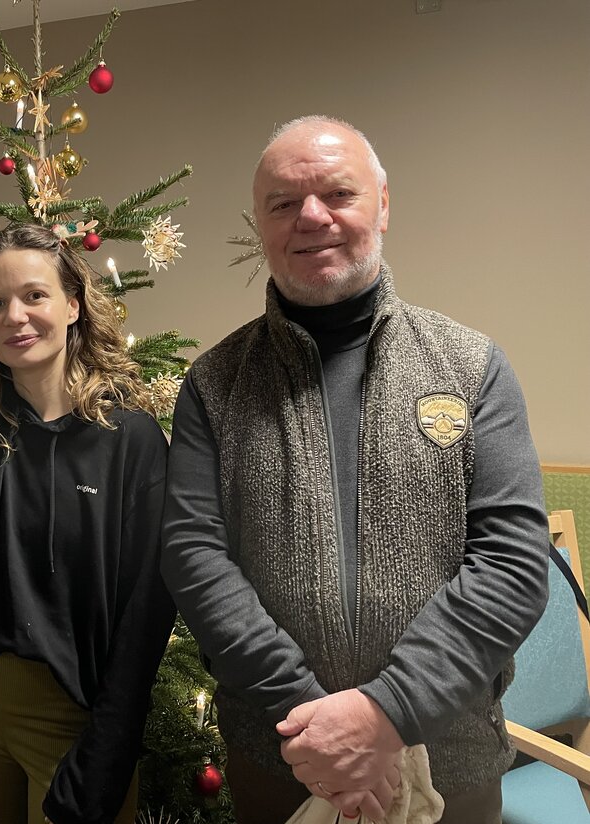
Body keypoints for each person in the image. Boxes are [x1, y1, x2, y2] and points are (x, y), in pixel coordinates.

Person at [161, 116, 549, 824]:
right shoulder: (214, 384)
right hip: (282, 758)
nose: (311, 216)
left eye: (338, 193)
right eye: (283, 202)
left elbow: (513, 564)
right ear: (261, 224)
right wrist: (315, 726)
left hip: (451, 761)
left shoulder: (472, 368)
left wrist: (385, 715)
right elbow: (194, 559)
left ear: (384, 204)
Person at [0, 223, 175, 824]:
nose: (14, 316)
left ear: (73, 305)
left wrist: (111, 742)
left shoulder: (130, 439)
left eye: (34, 295)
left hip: (77, 708)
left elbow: (147, 610)